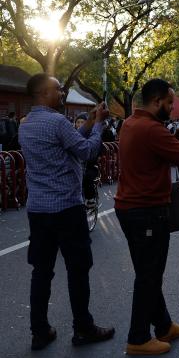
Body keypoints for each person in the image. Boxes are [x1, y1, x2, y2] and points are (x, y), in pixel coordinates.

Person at [18, 74, 114, 351]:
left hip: (38, 209)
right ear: (43, 93)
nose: (62, 93)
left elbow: (68, 142)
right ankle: (83, 328)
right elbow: (86, 151)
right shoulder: (58, 122)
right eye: (58, 89)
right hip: (67, 208)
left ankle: (39, 331)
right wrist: (97, 125)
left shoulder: (26, 126)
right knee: (78, 269)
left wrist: (87, 123)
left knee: (41, 271)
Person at [115, 78, 179, 355]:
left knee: (149, 272)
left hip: (132, 208)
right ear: (156, 102)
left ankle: (163, 325)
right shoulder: (151, 129)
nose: (172, 107)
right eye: (169, 103)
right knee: (149, 276)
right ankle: (138, 338)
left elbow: (163, 149)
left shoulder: (133, 123)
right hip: (146, 211)